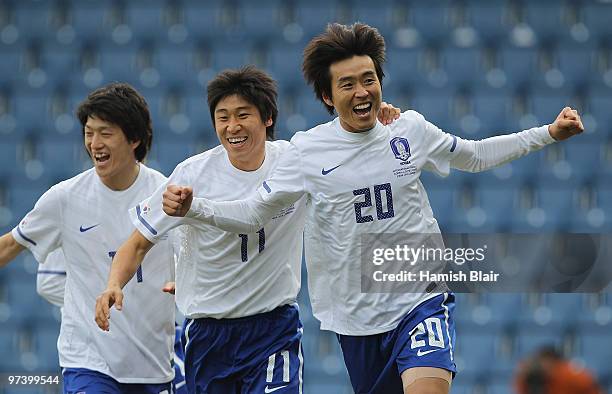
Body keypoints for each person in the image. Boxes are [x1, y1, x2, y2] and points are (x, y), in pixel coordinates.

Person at [158, 23, 585, 394]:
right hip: (357, 317)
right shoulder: (307, 151)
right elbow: (254, 213)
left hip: (420, 296)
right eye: (348, 84)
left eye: (369, 80)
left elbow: (473, 155)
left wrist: (547, 133)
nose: (362, 92)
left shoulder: (408, 129)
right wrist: (197, 209)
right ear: (327, 95)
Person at [94, 66, 401, 393]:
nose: (232, 127)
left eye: (243, 115)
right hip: (209, 333)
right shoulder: (192, 175)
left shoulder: (294, 163)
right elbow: (138, 243)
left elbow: (344, 144)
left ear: (267, 118)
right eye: (222, 117)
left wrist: (376, 123)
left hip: (274, 328)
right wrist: (113, 284)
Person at [0, 83, 176, 393]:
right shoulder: (65, 198)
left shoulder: (166, 196)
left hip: (151, 365)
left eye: (105, 133)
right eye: (88, 132)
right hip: (87, 361)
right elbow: (10, 246)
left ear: (134, 138)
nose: (94, 143)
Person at [36, 255, 187, 394]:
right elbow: (49, 282)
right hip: (95, 349)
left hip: (157, 341)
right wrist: (100, 303)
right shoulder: (70, 226)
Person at [514, 347, 603, 394]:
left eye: (546, 362)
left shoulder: (570, 375)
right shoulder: (530, 375)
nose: (543, 365)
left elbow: (593, 388)